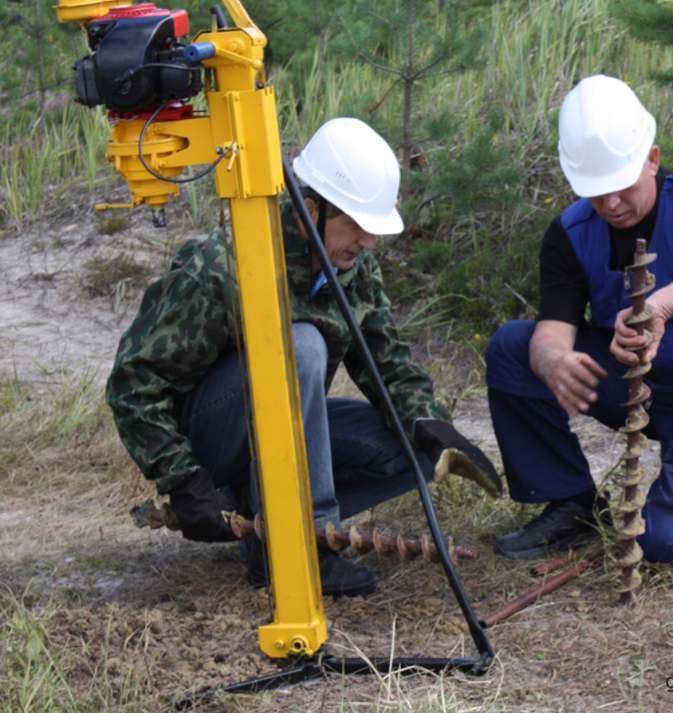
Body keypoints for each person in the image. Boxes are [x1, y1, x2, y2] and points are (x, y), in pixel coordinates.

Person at [107, 117, 500, 597]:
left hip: (284, 432)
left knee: (414, 452)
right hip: (213, 443)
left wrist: (430, 424)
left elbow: (386, 360)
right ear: (309, 210)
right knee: (302, 345)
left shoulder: (355, 267)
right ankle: (302, 547)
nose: (369, 242)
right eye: (357, 224)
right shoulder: (221, 267)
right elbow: (133, 384)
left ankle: (263, 526)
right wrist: (184, 477)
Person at [485, 75, 673, 566]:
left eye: (620, 187)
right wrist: (553, 361)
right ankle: (572, 505)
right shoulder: (571, 231)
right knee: (514, 347)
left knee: (667, 543)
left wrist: (661, 306)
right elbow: (550, 333)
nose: (610, 205)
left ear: (651, 159)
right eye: (595, 192)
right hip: (635, 383)